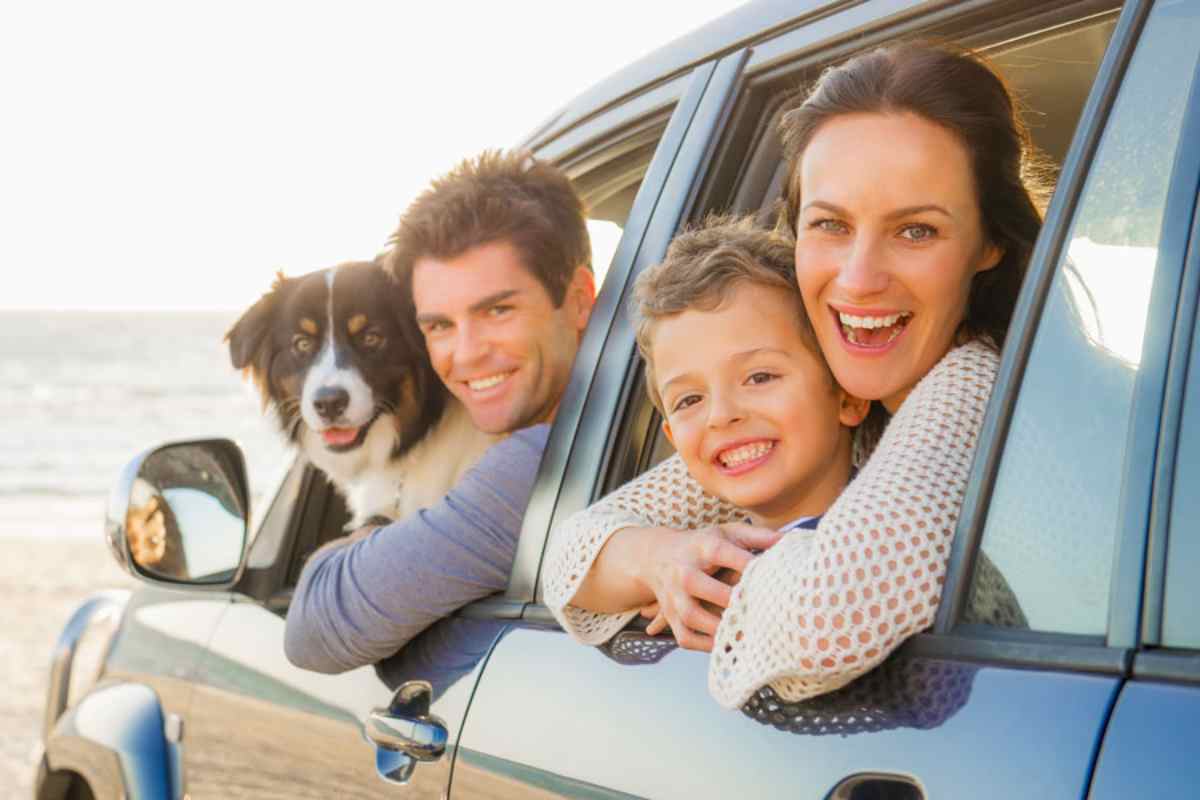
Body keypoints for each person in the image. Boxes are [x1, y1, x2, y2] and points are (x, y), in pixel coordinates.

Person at [543, 42, 1044, 709]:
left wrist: (723, 577)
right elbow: (571, 552)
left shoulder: (969, 384)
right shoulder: (837, 413)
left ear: (990, 243)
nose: (860, 279)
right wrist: (664, 559)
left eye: (916, 231)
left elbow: (824, 623)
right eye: (830, 224)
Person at [284, 150, 596, 673]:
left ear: (580, 297)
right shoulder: (616, 418)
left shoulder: (538, 465)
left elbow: (314, 631)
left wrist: (374, 529)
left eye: (498, 310)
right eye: (439, 326)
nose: (467, 354)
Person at [571, 215, 870, 648]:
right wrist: (664, 571)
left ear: (847, 396)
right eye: (689, 400)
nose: (721, 416)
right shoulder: (697, 558)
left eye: (760, 377)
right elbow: (573, 574)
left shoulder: (884, 542)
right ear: (674, 440)